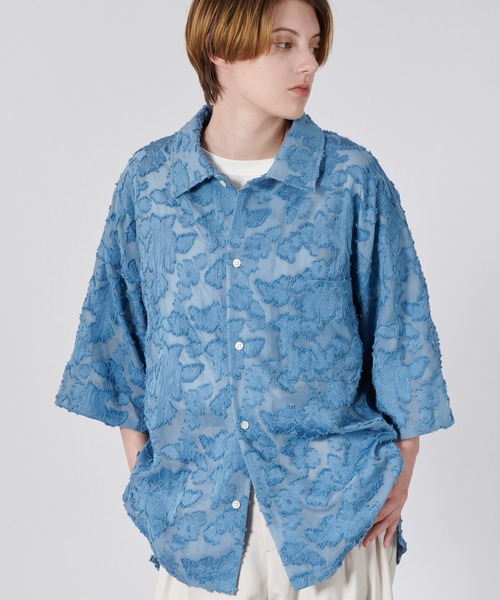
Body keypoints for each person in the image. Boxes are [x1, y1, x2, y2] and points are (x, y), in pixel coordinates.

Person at [55, 0, 454, 598]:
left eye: (314, 45)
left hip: (337, 518)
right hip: (198, 528)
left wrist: (402, 471)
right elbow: (119, 339)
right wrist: (154, 490)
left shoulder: (350, 179)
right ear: (221, 47)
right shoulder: (151, 183)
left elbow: (401, 331)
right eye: (284, 44)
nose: (309, 64)